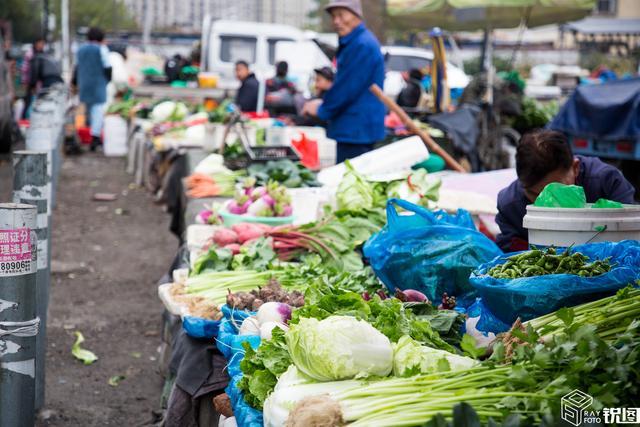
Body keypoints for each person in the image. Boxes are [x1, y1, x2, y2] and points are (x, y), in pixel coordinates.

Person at [496, 130, 636, 252]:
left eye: (555, 193)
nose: (545, 203)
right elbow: (511, 253)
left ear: (575, 168)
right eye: (535, 195)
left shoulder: (607, 183)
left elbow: (630, 239)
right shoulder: (510, 206)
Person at [302, 0, 385, 163]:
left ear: (356, 16)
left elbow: (347, 87)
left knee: (351, 180)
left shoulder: (361, 44)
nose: (336, 21)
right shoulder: (357, 42)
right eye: (334, 16)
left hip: (356, 129)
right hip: (356, 128)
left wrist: (321, 109)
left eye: (341, 15)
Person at [73, 27, 112, 151]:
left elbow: (77, 67)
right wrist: (107, 80)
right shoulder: (102, 49)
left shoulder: (80, 49)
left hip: (84, 83)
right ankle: (95, 137)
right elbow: (108, 67)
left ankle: (89, 133)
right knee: (98, 109)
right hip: (98, 83)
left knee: (88, 110)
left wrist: (74, 82)